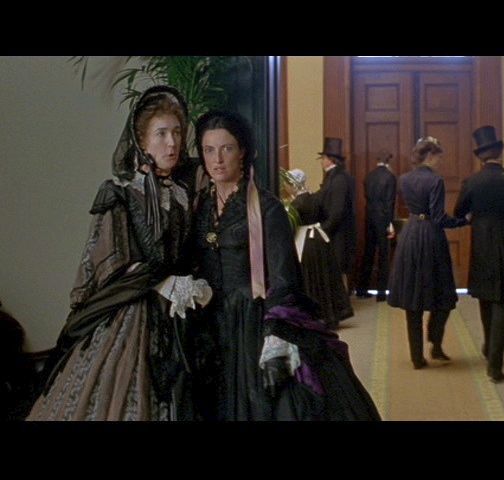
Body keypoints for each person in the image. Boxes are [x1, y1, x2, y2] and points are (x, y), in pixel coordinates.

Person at [28, 86, 212, 420]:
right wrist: (162, 283)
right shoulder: (121, 194)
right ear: (142, 141)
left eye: (176, 133)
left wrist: (192, 282)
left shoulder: (184, 195)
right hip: (130, 312)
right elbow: (112, 262)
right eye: (161, 134)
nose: (172, 143)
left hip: (176, 313)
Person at [192, 110, 379, 420]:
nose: (218, 159)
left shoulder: (267, 208)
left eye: (227, 148)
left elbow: (284, 277)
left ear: (242, 152)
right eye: (209, 150)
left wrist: (275, 332)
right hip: (211, 328)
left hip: (254, 323)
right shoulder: (200, 207)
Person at [454, 125, 504, 383]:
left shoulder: (471, 182)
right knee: (503, 301)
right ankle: (495, 366)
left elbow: (458, 213)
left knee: (486, 297)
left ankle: (489, 348)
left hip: (483, 245)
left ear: (480, 156)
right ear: (500, 152)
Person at [387, 136, 467, 369]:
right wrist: (463, 221)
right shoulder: (435, 180)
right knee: (443, 294)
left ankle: (417, 357)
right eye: (438, 156)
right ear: (430, 155)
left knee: (412, 298)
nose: (439, 161)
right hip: (431, 237)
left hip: (411, 234)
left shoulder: (404, 179)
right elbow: (439, 217)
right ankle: (435, 343)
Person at [284, 168, 354, 329]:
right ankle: (330, 314)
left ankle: (312, 316)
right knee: (324, 277)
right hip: (320, 240)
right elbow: (326, 216)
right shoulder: (315, 198)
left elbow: (292, 225)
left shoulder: (296, 204)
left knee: (309, 278)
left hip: (304, 241)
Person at [316, 137, 357, 292]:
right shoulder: (336, 176)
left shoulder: (339, 179)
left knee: (338, 270)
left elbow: (337, 210)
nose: (321, 162)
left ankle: (341, 302)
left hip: (338, 233)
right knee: (337, 270)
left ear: (329, 159)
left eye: (323, 158)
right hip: (337, 231)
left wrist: (323, 229)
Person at [356, 149, 397, 301]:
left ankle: (362, 288)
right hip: (383, 218)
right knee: (383, 255)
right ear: (388, 161)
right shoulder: (390, 177)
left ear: (377, 160)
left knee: (368, 252)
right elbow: (390, 202)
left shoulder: (369, 176)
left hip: (370, 216)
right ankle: (381, 292)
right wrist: (390, 223)